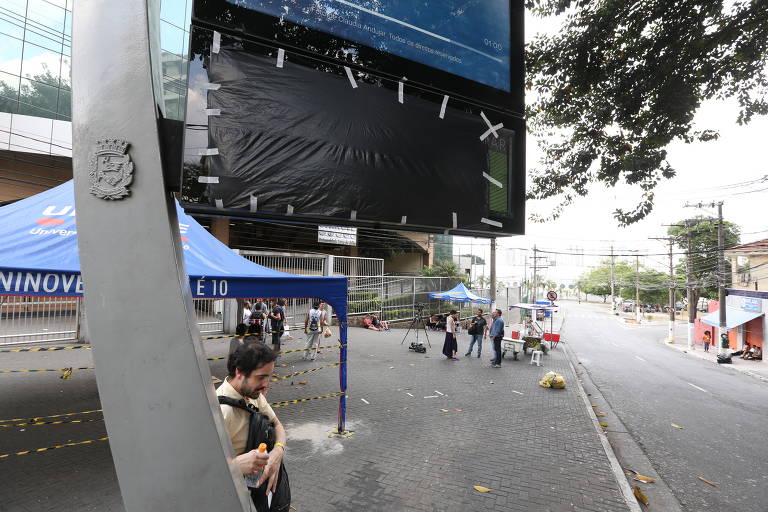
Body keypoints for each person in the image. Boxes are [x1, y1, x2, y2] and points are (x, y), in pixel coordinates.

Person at [217, 343, 287, 510]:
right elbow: (201, 468)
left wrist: (278, 451)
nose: (266, 385)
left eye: (269, 376)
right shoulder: (220, 411)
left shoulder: (252, 394)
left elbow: (278, 425)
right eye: (261, 377)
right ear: (239, 372)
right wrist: (235, 465)